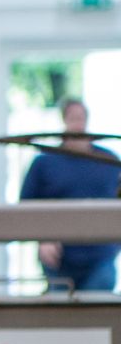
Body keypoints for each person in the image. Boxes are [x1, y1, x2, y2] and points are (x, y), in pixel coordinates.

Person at [19, 97, 121, 292]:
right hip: (59, 260)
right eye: (73, 118)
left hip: (100, 258)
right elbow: (25, 207)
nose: (77, 124)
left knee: (97, 315)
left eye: (81, 118)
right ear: (64, 121)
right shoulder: (44, 163)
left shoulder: (110, 161)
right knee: (62, 317)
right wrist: (42, 239)